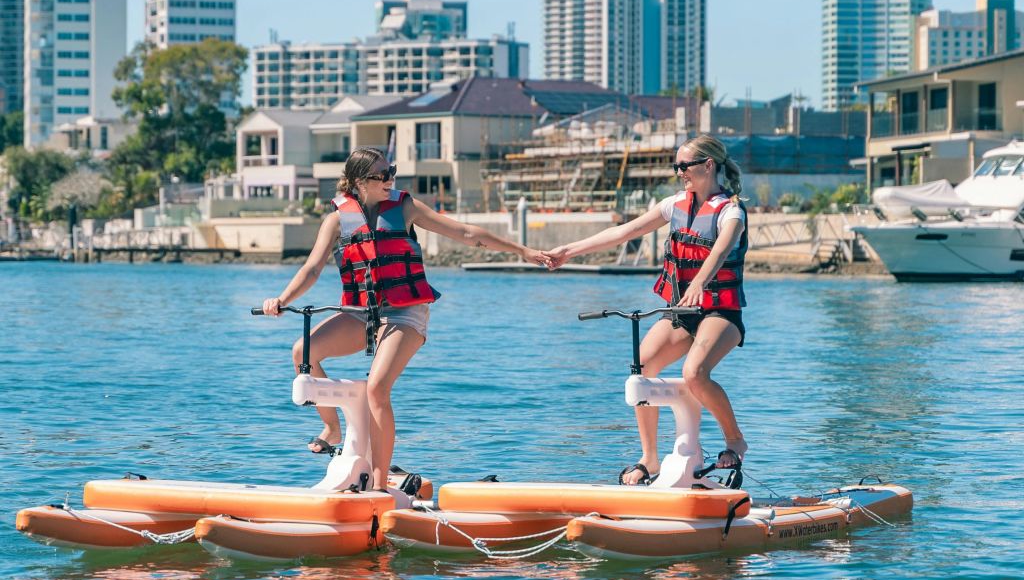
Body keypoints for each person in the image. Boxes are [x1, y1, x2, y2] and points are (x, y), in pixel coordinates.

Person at [262, 146, 550, 491]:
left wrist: (524, 252)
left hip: (405, 310)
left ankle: (381, 487)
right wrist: (281, 299)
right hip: (361, 313)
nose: (390, 180)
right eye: (381, 175)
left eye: (391, 172)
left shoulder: (405, 207)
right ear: (358, 182)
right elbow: (311, 269)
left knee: (377, 387)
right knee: (302, 353)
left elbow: (467, 234)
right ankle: (332, 428)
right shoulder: (338, 219)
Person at [545, 134, 749, 485]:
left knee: (695, 372)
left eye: (684, 166)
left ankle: (735, 442)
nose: (679, 172)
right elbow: (623, 232)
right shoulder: (674, 205)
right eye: (677, 167)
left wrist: (700, 281)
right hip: (683, 312)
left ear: (708, 165)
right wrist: (569, 251)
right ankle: (650, 458)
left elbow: (720, 251)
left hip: (720, 312)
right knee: (642, 364)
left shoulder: (731, 210)